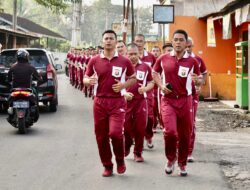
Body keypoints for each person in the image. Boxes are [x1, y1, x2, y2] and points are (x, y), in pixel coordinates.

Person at [83, 30, 136, 177]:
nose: (108, 41)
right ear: (102, 41)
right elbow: (85, 78)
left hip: (117, 102)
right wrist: (88, 81)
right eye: (106, 38)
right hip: (99, 102)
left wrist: (123, 86)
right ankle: (107, 165)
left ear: (116, 41)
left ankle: (120, 160)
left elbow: (133, 78)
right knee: (101, 136)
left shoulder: (124, 61)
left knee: (115, 133)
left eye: (111, 38)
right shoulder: (94, 60)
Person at [152, 29, 201, 176]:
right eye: (176, 40)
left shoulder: (193, 61)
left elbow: (199, 80)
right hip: (168, 101)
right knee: (171, 132)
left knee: (186, 133)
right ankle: (170, 159)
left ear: (186, 43)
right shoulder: (163, 58)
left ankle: (182, 163)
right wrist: (161, 86)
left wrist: (197, 80)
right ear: (172, 42)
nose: (178, 42)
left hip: (186, 101)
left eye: (181, 40)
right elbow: (155, 73)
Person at [124, 43, 154, 162]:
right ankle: (127, 145)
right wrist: (124, 93)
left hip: (141, 101)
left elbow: (152, 82)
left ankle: (138, 153)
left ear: (139, 53)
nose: (132, 56)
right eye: (130, 54)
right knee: (125, 127)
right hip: (125, 101)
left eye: (135, 54)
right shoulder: (123, 66)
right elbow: (115, 83)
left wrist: (145, 89)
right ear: (127, 54)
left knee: (140, 127)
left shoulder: (145, 67)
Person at [186, 37, 207, 162]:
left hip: (193, 96)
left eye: (190, 46)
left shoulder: (197, 60)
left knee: (190, 123)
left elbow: (204, 72)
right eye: (186, 46)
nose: (188, 49)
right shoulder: (175, 59)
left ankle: (188, 152)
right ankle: (178, 147)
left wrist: (200, 83)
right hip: (178, 97)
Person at [7, 49, 42, 122]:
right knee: (35, 99)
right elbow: (38, 77)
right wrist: (39, 78)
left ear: (17, 57)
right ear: (27, 57)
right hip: (27, 90)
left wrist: (10, 81)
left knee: (10, 102)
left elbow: (9, 78)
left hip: (15, 90)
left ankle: (12, 114)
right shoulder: (31, 67)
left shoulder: (13, 67)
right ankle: (33, 113)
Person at [134, 33, 156, 149]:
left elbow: (156, 72)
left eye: (141, 41)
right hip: (133, 93)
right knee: (136, 118)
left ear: (144, 42)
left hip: (148, 93)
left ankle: (149, 136)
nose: (138, 43)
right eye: (136, 41)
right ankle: (138, 140)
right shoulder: (130, 57)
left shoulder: (151, 57)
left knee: (150, 117)